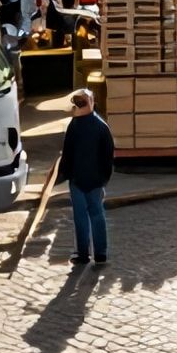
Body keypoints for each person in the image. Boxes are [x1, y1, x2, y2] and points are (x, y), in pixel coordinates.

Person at [59, 88, 115, 266]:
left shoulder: (74, 126)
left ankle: (83, 254)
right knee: (97, 215)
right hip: (94, 180)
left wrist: (64, 175)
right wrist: (103, 179)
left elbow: (67, 154)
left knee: (81, 217)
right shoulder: (101, 126)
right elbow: (108, 157)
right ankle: (100, 254)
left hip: (78, 180)